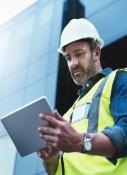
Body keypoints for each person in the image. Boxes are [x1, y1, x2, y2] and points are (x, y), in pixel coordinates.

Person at [37, 18, 127, 175]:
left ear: (96, 52)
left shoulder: (118, 80)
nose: (73, 63)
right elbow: (56, 171)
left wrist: (79, 142)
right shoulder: (66, 116)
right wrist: (50, 158)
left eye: (79, 54)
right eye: (68, 58)